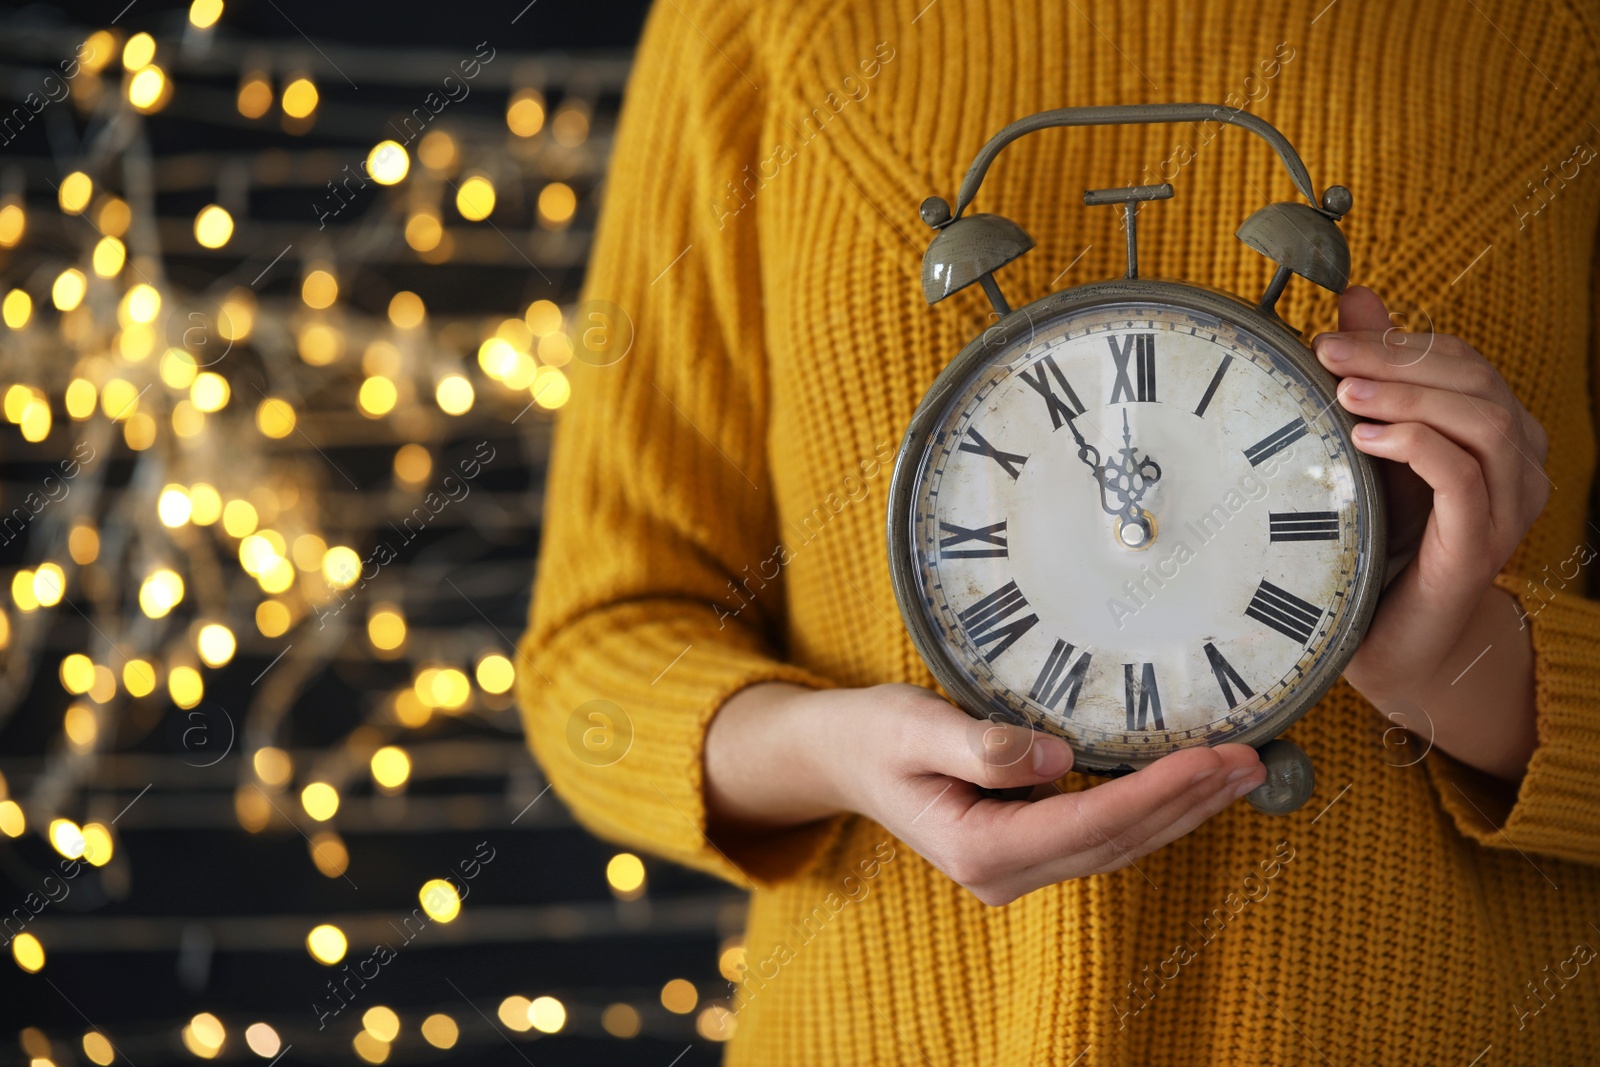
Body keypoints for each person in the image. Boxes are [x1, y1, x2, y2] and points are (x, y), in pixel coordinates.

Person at [516, 1, 1600, 1063]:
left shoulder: (1553, 34)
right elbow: (596, 661)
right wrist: (838, 753)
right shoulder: (760, 25)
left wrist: (1458, 669)